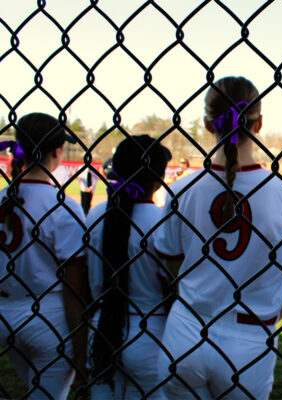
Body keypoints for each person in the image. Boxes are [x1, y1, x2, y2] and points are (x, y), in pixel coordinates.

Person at [154, 76, 282, 399]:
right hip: (250, 336)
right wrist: (277, 312)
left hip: (187, 328)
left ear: (209, 124)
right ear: (259, 124)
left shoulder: (181, 190)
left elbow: (171, 260)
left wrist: (199, 287)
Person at [0, 112, 88, 399]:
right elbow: (74, 287)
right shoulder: (62, 205)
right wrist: (80, 347)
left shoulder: (3, 196)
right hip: (48, 316)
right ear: (57, 151)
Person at [86, 135, 171, 399]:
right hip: (151, 331)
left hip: (101, 325)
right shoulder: (162, 221)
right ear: (158, 179)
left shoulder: (96, 213)